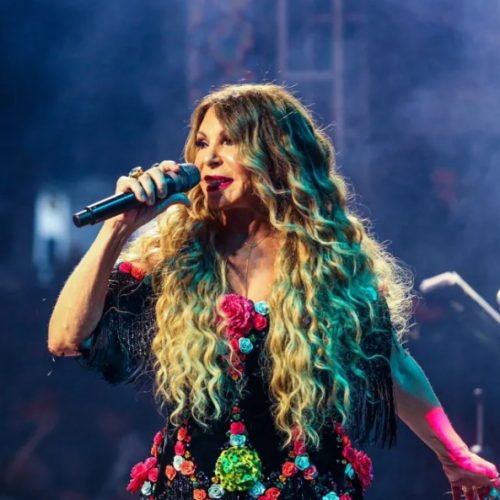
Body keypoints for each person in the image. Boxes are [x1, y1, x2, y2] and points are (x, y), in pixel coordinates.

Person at [48, 84, 499, 500]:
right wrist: (117, 228)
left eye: (230, 141)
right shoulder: (174, 252)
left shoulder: (329, 260)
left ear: (277, 153)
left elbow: (393, 366)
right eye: (202, 143)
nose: (209, 159)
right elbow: (66, 338)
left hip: (307, 487)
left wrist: (455, 456)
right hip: (191, 487)